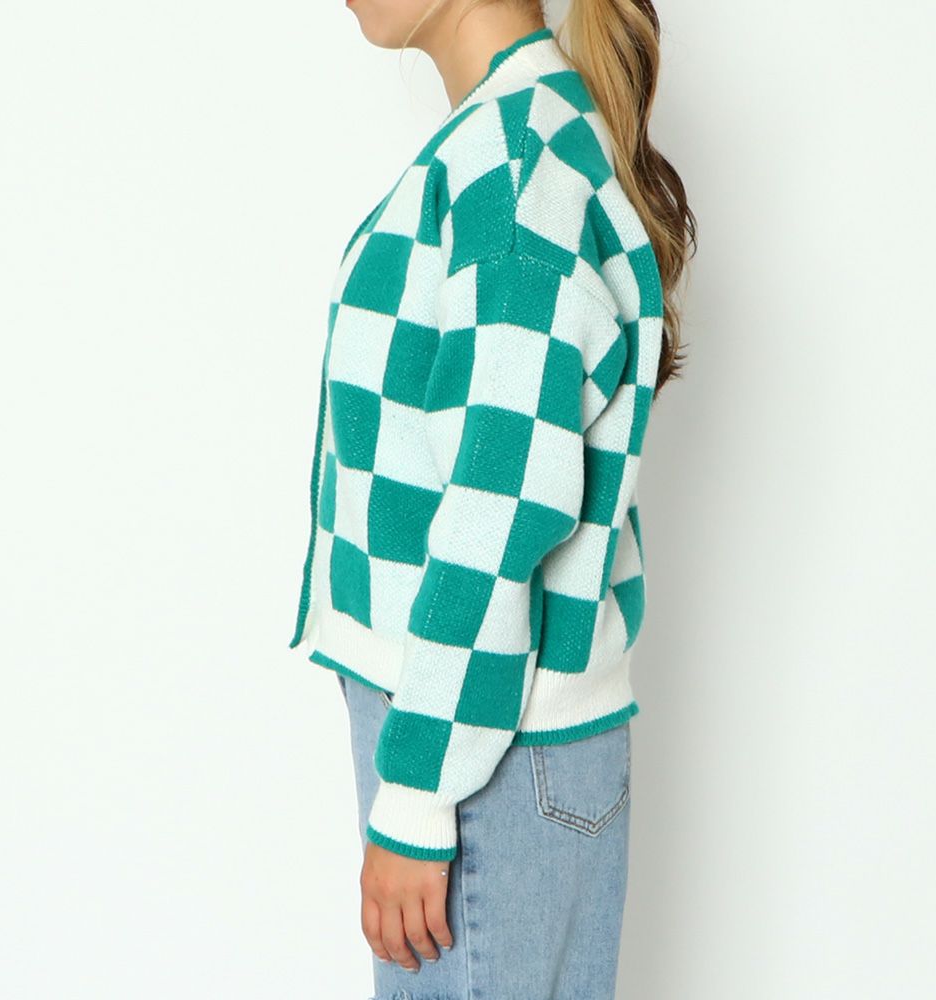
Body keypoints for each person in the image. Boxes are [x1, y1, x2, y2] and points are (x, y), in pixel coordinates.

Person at [288, 0, 695, 995]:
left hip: (482, 755)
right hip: (493, 740)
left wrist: (416, 793)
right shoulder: (512, 144)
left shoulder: (513, 168)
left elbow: (500, 504)